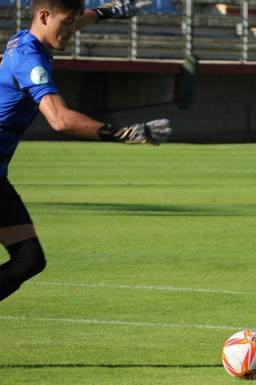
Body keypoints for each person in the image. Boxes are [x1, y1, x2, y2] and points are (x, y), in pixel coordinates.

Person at [0, 0, 172, 302]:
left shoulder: (29, 38)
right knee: (28, 260)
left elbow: (79, 19)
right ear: (43, 16)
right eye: (66, 23)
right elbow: (60, 120)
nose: (71, 31)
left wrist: (110, 11)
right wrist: (123, 134)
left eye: (73, 23)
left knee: (29, 261)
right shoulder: (29, 59)